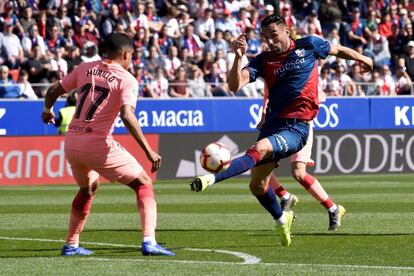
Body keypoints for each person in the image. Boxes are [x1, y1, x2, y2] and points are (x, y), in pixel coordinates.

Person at [190, 14, 373, 247]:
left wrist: (363, 58)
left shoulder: (309, 44)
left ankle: (211, 178)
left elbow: (338, 50)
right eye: (265, 37)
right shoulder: (263, 60)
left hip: (297, 127)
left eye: (273, 35)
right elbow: (235, 85)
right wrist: (238, 58)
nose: (269, 41)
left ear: (287, 31)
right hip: (273, 125)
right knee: (257, 185)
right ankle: (281, 217)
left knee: (260, 149)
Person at [41, 32, 175, 256]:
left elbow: (53, 90)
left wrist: (47, 111)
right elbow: (128, 116)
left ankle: (71, 245)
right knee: (143, 183)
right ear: (125, 54)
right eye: (131, 56)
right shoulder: (127, 79)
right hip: (98, 144)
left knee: (88, 188)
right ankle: (149, 241)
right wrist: (148, 151)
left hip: (72, 143)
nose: (131, 60)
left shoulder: (84, 68)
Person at [259, 84, 345, 231]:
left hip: (300, 126)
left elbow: (321, 95)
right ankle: (285, 196)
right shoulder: (272, 72)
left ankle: (333, 209)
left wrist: (304, 106)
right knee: (261, 168)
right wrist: (263, 117)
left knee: (299, 173)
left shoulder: (300, 70)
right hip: (276, 125)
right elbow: (267, 98)